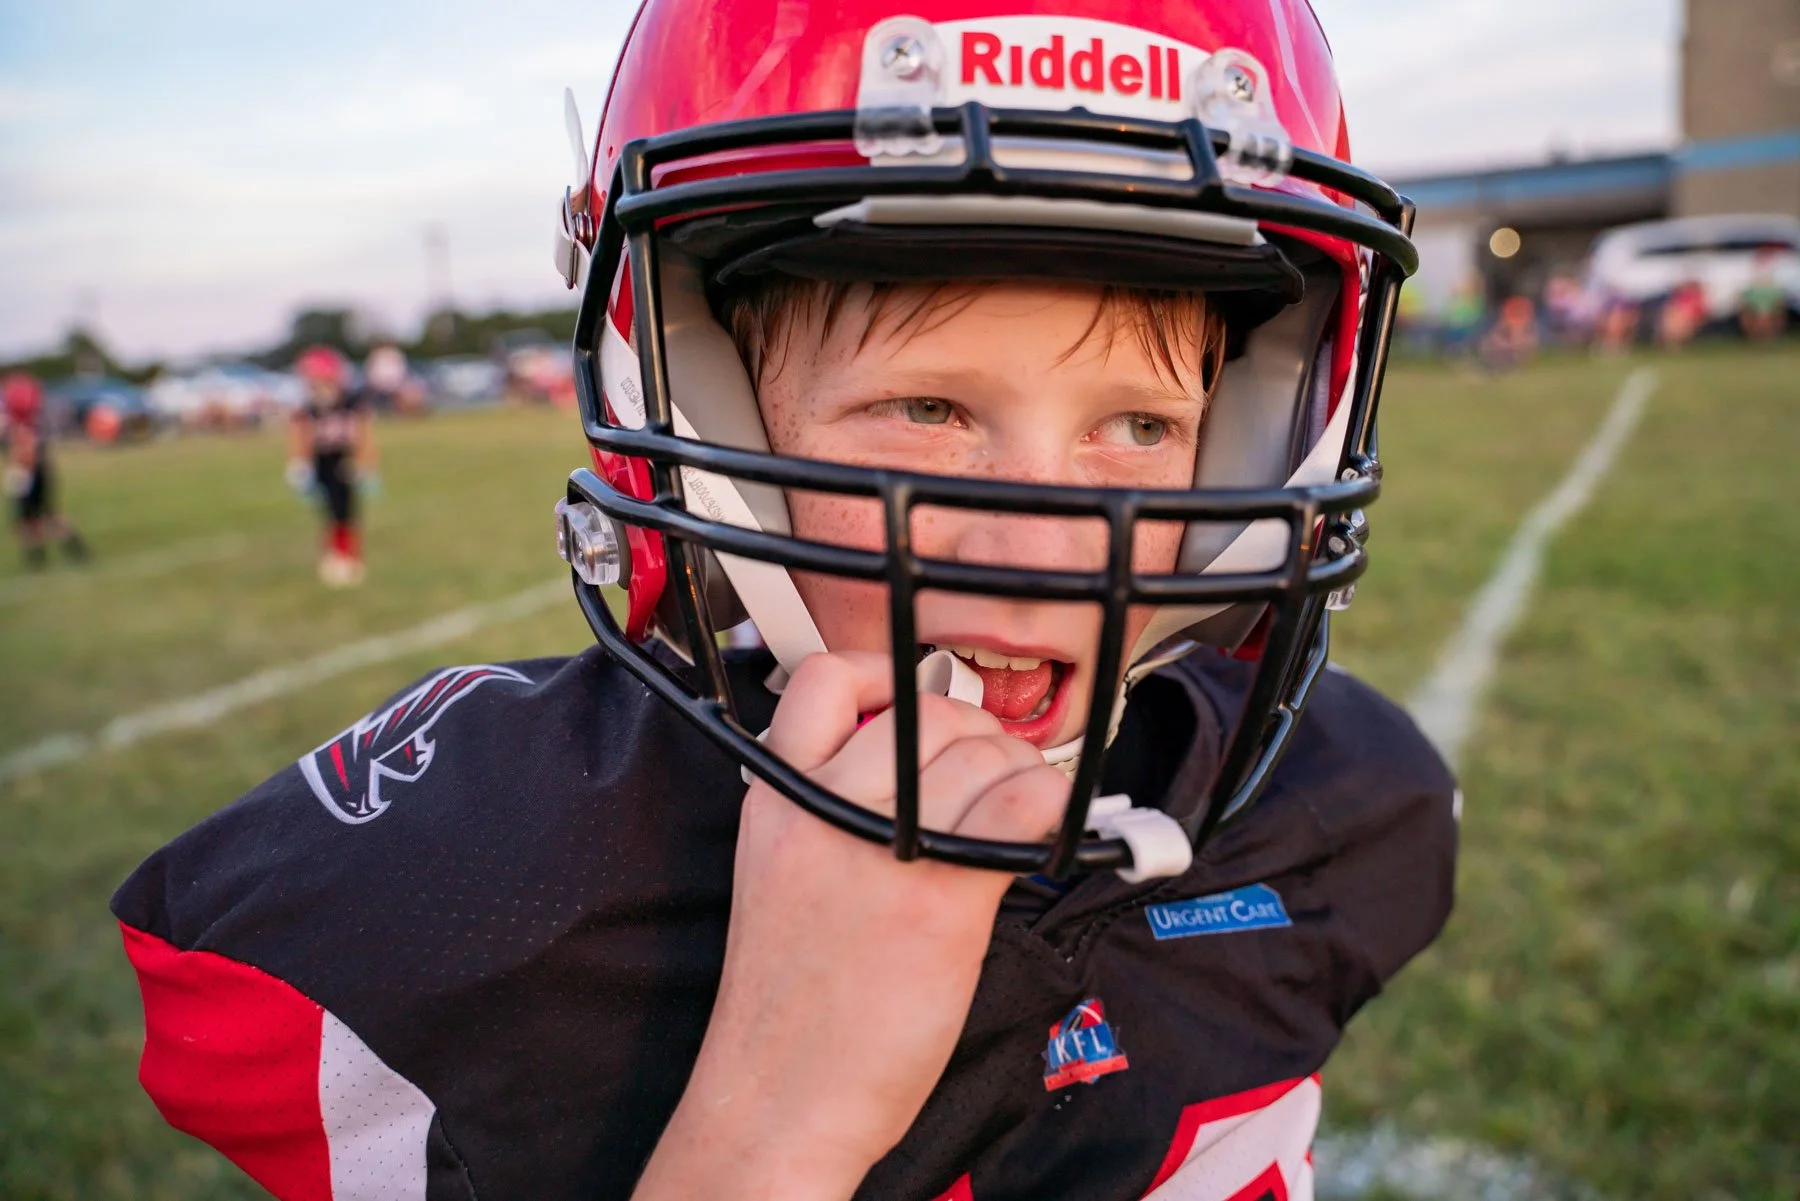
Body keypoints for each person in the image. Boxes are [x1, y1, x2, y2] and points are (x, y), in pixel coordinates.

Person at [112, 3, 1457, 1198]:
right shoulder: (487, 904)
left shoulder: (1343, 806)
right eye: (929, 409)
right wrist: (772, 1128)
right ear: (698, 406)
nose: (1054, 541)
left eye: (1144, 428)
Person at [286, 345, 378, 586]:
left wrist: (365, 465)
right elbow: (301, 436)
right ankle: (335, 556)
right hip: (322, 464)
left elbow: (363, 434)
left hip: (344, 462)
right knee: (329, 513)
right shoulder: (309, 408)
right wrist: (299, 466)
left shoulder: (351, 402)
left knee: (347, 512)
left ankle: (349, 557)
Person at [3, 371, 88, 569]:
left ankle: (37, 561)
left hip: (28, 473)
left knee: (29, 519)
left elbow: (25, 456)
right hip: (38, 470)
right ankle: (74, 551)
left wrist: (16, 475)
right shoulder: (32, 424)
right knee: (46, 516)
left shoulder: (22, 427)